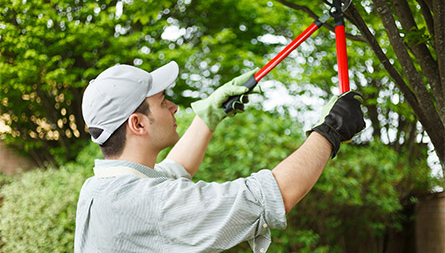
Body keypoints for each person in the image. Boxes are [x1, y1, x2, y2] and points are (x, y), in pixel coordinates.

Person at [75, 61, 365, 253]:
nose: (174, 107)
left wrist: (211, 114)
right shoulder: (151, 203)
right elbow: (268, 197)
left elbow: (176, 170)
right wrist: (331, 131)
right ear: (138, 124)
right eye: (163, 103)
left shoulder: (101, 188)